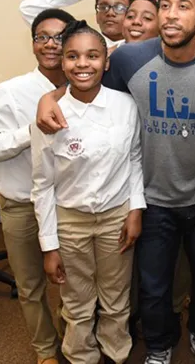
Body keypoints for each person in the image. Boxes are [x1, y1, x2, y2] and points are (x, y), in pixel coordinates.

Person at [35, 0, 195, 364]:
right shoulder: (129, 58)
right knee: (153, 285)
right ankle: (158, 345)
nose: (171, 15)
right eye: (166, 5)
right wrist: (48, 96)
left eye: (184, 7)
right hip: (151, 197)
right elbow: (86, 85)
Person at [31, 20, 144, 364]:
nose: (83, 64)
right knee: (77, 300)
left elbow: (134, 159)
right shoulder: (50, 115)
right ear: (62, 62)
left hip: (115, 216)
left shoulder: (126, 106)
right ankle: (81, 356)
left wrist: (135, 210)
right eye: (73, 57)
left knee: (116, 297)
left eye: (93, 56)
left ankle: (116, 353)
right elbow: (42, 185)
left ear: (106, 62)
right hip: (70, 222)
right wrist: (49, 247)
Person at [0, 8, 75, 364]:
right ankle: (45, 351)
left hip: (69, 203)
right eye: (42, 36)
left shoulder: (82, 87)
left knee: (75, 282)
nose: (50, 44)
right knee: (31, 286)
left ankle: (71, 339)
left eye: (59, 37)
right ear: (32, 45)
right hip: (22, 206)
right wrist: (29, 132)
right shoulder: (11, 93)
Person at [20, 0, 133, 48]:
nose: (110, 13)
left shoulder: (146, 46)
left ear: (130, 15)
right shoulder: (78, 39)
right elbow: (29, 10)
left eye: (119, 7)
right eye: (103, 7)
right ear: (96, 16)